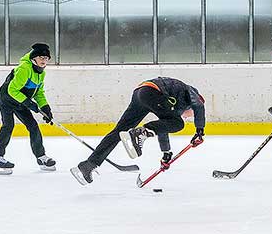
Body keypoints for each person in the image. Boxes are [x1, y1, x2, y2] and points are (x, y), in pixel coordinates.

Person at [70, 77, 205, 185]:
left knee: (119, 131)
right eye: (191, 115)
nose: (188, 118)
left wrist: (166, 153)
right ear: (191, 108)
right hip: (152, 92)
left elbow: (162, 127)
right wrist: (199, 130)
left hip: (141, 93)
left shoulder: (174, 104)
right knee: (178, 124)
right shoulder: (192, 93)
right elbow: (199, 105)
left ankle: (88, 165)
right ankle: (140, 133)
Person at [0, 43, 56, 175]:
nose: (44, 61)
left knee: (33, 126)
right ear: (33, 59)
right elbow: (12, 90)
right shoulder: (24, 69)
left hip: (20, 102)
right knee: (8, 126)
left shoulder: (41, 73)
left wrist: (45, 108)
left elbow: (39, 92)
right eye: (41, 57)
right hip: (7, 100)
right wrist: (29, 103)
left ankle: (41, 157)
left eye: (46, 58)